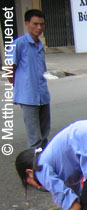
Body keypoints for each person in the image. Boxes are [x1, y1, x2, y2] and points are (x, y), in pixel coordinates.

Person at [11, 9, 50, 149]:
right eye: (35, 24)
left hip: (43, 96)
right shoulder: (19, 44)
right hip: (28, 97)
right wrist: (19, 88)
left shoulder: (40, 46)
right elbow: (10, 69)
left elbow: (41, 71)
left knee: (44, 134)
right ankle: (34, 167)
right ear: (27, 24)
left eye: (41, 24)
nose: (39, 28)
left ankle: (44, 164)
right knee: (35, 138)